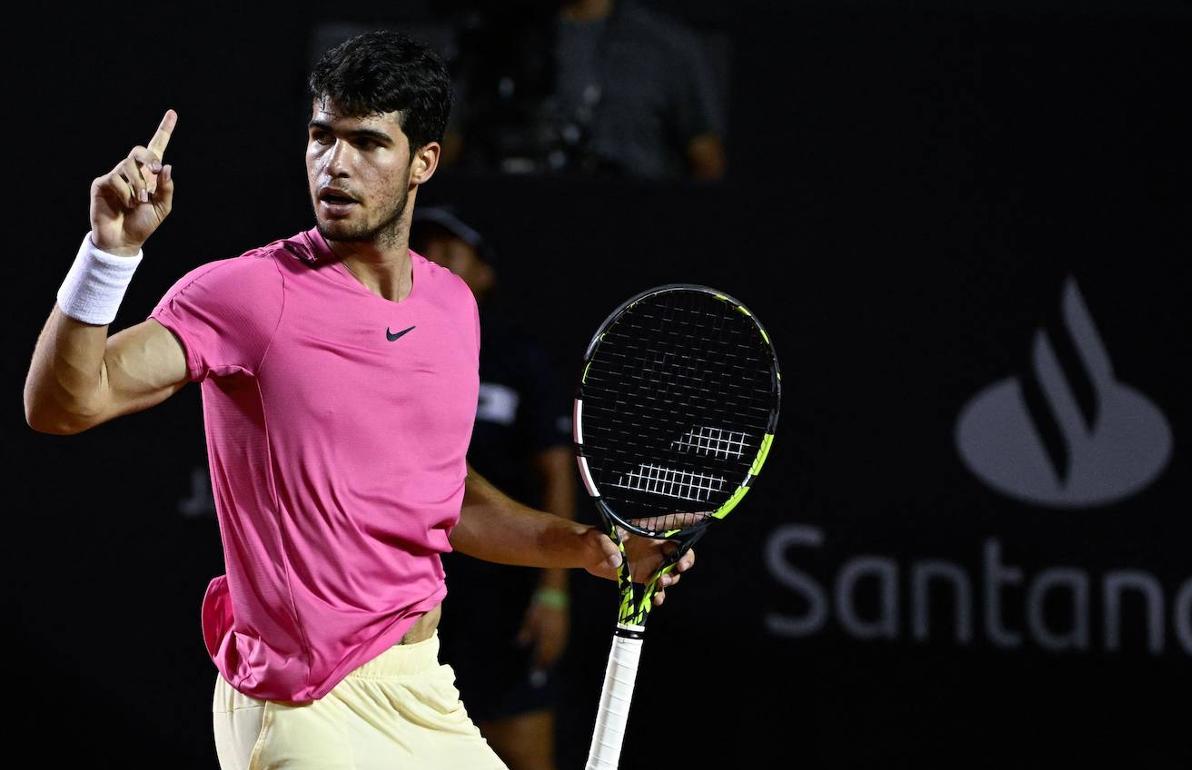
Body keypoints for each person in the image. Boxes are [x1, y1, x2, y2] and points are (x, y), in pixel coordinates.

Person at [22, 30, 694, 770]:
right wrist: (108, 254)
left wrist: (589, 549)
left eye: (368, 143)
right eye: (321, 137)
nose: (334, 166)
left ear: (423, 163)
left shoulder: (452, 307)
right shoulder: (249, 294)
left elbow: (442, 498)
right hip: (305, 705)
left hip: (422, 689)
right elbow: (66, 403)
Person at [411, 207, 574, 770]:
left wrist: (553, 593)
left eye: (452, 252)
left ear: (485, 274)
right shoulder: (386, 343)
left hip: (503, 587)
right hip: (413, 592)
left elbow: (555, 473)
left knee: (521, 748)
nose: (433, 262)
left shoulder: (516, 356)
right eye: (424, 249)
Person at [448, 0, 726, 179]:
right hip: (520, 224)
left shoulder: (666, 47)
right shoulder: (493, 42)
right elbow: (448, 145)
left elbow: (707, 160)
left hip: (641, 231)